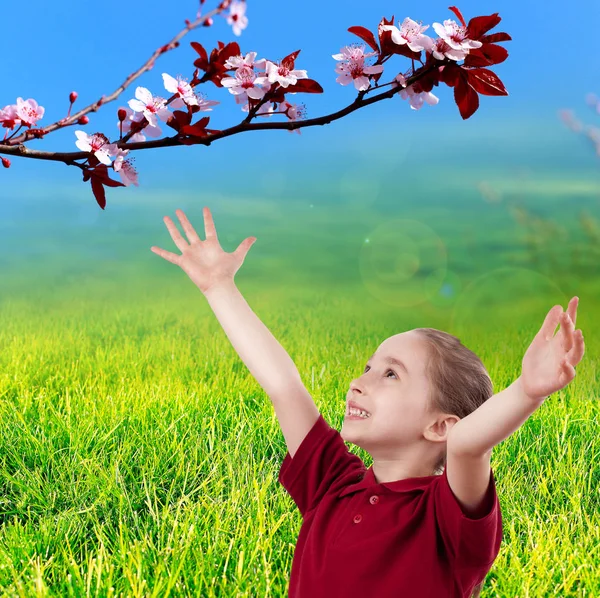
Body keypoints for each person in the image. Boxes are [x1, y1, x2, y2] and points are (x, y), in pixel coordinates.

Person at [151, 207, 585, 598]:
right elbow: (283, 385)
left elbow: (468, 445)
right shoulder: (333, 483)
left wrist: (528, 391)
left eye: (391, 374)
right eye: (368, 367)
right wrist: (219, 288)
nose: (359, 383)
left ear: (439, 426)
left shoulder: (445, 517)